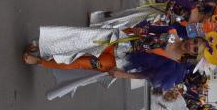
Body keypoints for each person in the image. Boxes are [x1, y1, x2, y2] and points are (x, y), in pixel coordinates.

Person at [22, 22, 206, 91]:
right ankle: (42, 44)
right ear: (193, 38)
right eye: (195, 42)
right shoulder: (172, 31)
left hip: (119, 60)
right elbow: (148, 28)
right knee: (79, 39)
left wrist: (123, 75)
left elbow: (147, 75)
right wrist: (138, 29)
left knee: (79, 62)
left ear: (192, 54)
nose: (192, 45)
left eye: (195, 49)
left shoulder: (173, 66)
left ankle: (40, 61)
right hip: (118, 39)